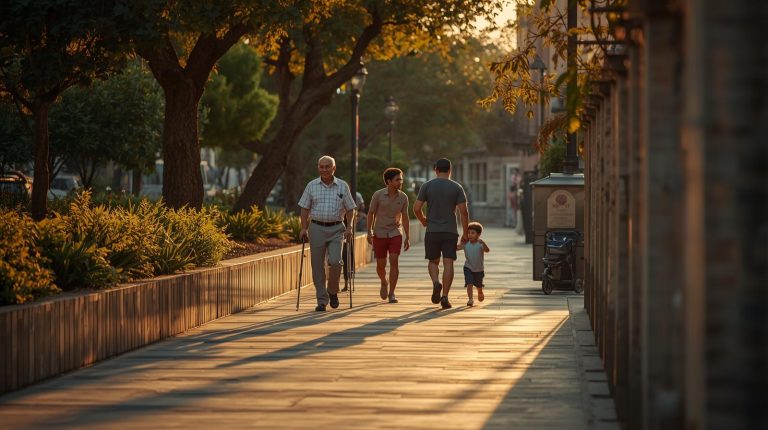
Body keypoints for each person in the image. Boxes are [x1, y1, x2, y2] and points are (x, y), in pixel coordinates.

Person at [298, 155, 357, 312]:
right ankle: (322, 300)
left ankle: (333, 291)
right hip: (316, 227)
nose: (324, 169)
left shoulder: (343, 186)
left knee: (336, 261)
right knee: (317, 266)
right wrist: (303, 228)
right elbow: (304, 208)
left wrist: (350, 227)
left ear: (334, 168)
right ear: (318, 168)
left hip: (337, 228)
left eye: (327, 167)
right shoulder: (311, 186)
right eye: (321, 166)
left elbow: (351, 209)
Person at [412, 158, 469, 309]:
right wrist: (465, 233)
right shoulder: (457, 187)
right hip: (450, 231)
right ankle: (445, 297)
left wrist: (423, 220)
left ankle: (436, 282)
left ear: (435, 170)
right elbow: (464, 212)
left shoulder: (427, 186)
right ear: (450, 170)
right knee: (448, 262)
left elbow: (416, 208)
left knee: (433, 261)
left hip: (432, 231)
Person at [366, 167, 411, 303]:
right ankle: (383, 281)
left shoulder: (403, 197)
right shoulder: (378, 195)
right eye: (397, 180)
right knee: (381, 265)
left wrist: (407, 237)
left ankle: (392, 293)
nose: (400, 182)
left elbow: (405, 217)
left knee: (394, 260)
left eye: (401, 179)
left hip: (395, 232)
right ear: (388, 181)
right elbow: (371, 213)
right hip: (379, 233)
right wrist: (369, 232)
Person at [457, 222, 490, 307]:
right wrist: (459, 241)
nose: (470, 235)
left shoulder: (480, 244)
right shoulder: (465, 244)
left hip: (479, 270)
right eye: (468, 233)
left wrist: (483, 242)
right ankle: (470, 299)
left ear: (478, 234)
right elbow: (456, 248)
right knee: (469, 283)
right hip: (468, 267)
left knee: (478, 285)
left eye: (472, 233)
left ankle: (480, 291)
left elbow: (487, 250)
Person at [342, 191, 365, 291]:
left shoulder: (352, 200)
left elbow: (358, 209)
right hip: (335, 231)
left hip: (346, 232)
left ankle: (347, 282)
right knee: (338, 259)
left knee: (346, 256)